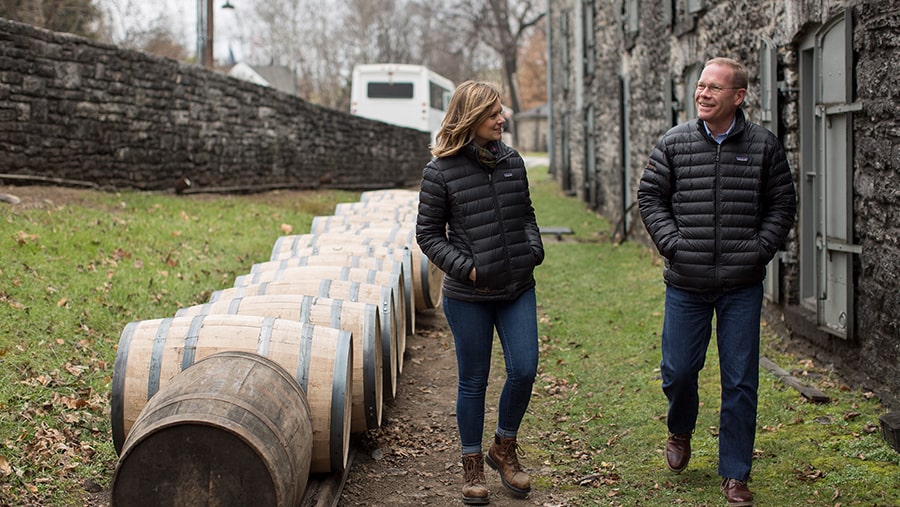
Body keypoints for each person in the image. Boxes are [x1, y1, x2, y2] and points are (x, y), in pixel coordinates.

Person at [637, 57, 796, 506]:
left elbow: (782, 206)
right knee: (680, 371)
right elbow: (650, 197)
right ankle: (680, 428)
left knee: (741, 379)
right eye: (700, 86)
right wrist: (674, 243)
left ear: (738, 97)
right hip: (685, 280)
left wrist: (758, 250)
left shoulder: (764, 146)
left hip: (741, 285)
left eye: (714, 88)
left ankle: (735, 473)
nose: (702, 94)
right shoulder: (674, 142)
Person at [416, 80, 544, 505]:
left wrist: (533, 250)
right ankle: (472, 464)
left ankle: (503, 448)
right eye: (493, 114)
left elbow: (526, 214)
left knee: (524, 368)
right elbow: (429, 235)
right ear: (470, 118)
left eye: (501, 112)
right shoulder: (440, 171)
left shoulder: (512, 161)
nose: (502, 119)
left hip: (516, 287)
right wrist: (467, 269)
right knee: (473, 380)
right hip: (468, 295)